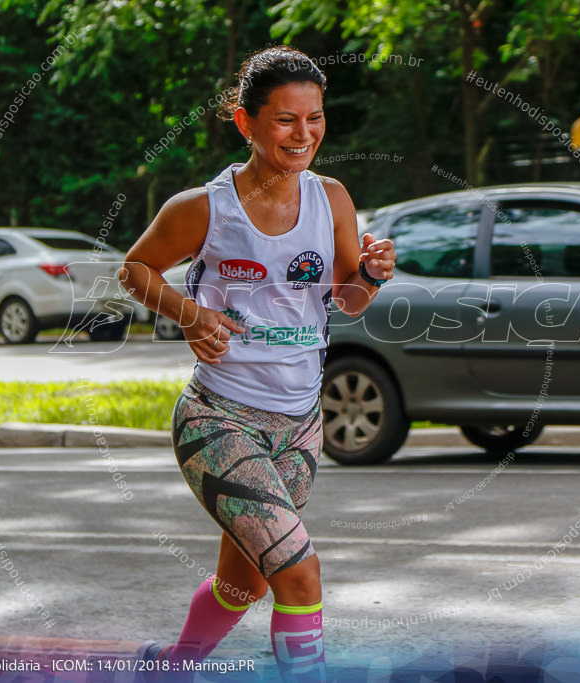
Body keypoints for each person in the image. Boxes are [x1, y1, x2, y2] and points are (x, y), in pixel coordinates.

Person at [118, 46, 396, 682]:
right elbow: (134, 269)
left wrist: (373, 274)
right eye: (285, 120)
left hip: (298, 425)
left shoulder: (333, 200)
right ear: (245, 123)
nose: (305, 135)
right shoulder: (206, 207)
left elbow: (347, 299)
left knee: (242, 584)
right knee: (299, 574)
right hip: (219, 420)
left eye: (316, 118)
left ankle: (167, 670)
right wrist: (191, 314)